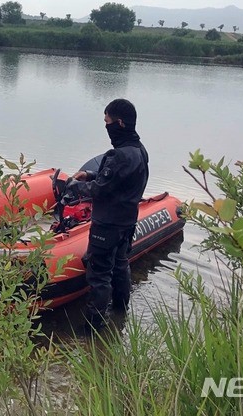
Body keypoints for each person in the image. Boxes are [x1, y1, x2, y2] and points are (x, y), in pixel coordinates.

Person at [69, 98, 149, 331]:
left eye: (107, 122)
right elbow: (118, 181)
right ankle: (120, 313)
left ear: (120, 123)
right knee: (121, 265)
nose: (106, 127)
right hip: (127, 222)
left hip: (107, 225)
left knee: (99, 274)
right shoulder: (140, 151)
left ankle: (93, 329)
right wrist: (92, 174)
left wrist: (75, 186)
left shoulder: (119, 156)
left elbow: (100, 191)